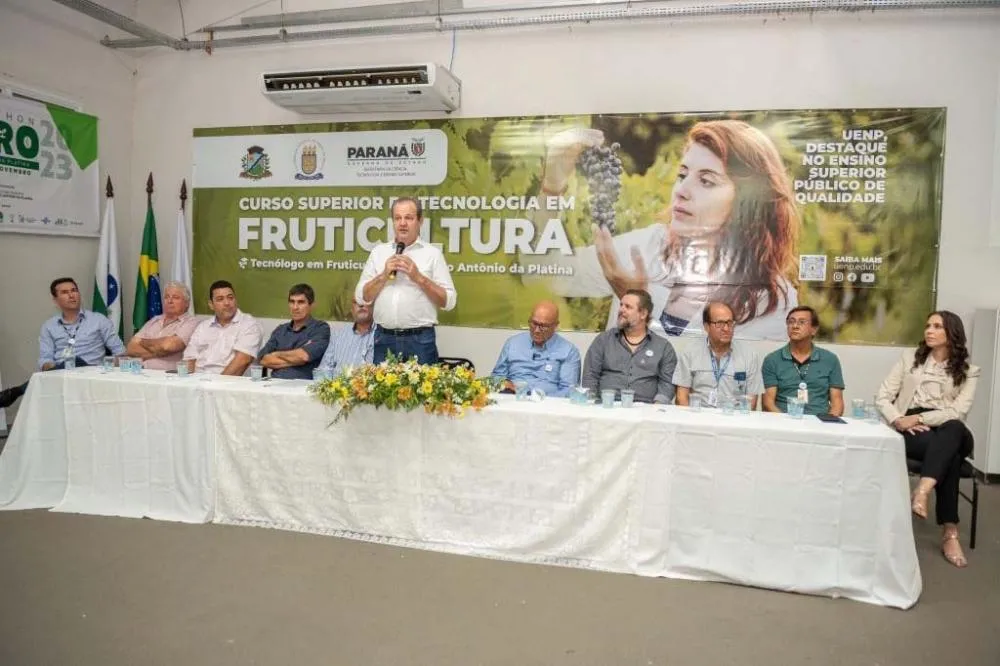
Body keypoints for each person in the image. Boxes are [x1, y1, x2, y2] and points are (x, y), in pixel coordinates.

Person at [539, 120, 799, 340]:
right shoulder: (651, 245)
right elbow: (545, 273)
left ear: (748, 200)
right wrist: (552, 187)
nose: (682, 191)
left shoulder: (774, 301)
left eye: (706, 181)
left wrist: (637, 304)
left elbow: (711, 380)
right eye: (682, 175)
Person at [876, 311, 979, 568]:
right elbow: (882, 397)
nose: (929, 331)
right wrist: (899, 420)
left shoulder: (969, 371)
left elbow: (957, 412)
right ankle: (950, 532)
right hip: (911, 427)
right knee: (950, 458)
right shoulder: (909, 358)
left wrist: (921, 419)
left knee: (953, 428)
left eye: (937, 326)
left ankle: (922, 490)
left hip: (948, 427)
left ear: (952, 333)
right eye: (927, 326)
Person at [355, 197, 457, 365]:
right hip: (384, 339)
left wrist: (419, 278)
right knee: (382, 392)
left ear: (420, 221)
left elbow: (449, 301)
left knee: (423, 392)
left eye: (408, 218)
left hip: (420, 341)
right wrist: (383, 276)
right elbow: (362, 297)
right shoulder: (378, 252)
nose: (402, 223)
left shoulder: (432, 254)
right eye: (397, 218)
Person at [582, 289, 677, 404]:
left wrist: (656, 409)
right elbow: (590, 376)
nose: (621, 309)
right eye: (621, 305)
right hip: (606, 406)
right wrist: (592, 403)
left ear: (643, 314)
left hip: (646, 409)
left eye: (628, 307)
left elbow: (667, 384)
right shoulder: (603, 340)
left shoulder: (663, 347)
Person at [673, 301, 763, 409]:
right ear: (707, 326)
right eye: (719, 323)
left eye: (729, 323)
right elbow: (681, 397)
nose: (726, 329)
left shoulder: (749, 355)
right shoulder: (690, 352)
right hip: (699, 418)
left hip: (734, 419)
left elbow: (751, 401)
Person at [762, 306, 844, 416]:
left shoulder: (830, 360)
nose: (795, 326)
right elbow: (768, 402)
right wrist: (786, 424)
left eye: (801, 322)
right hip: (784, 421)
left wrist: (828, 425)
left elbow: (837, 402)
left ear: (814, 329)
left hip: (820, 422)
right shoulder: (772, 360)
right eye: (791, 322)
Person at [491, 300, 581, 398]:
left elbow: (568, 390)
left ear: (555, 325)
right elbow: (496, 378)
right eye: (534, 323)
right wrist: (504, 384)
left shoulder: (569, 351)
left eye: (543, 326)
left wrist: (537, 398)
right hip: (513, 400)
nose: (537, 330)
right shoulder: (512, 343)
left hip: (548, 406)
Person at [38, 277, 125, 369]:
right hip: (61, 373)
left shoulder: (99, 320)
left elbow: (120, 352)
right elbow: (45, 358)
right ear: (55, 300)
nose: (71, 295)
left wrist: (104, 367)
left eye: (74, 290)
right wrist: (50, 369)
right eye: (65, 292)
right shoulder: (49, 326)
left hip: (91, 372)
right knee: (32, 382)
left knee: (77, 361)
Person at [182, 280, 263, 375]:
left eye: (230, 298)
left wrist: (217, 387)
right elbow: (189, 359)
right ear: (211, 305)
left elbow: (242, 362)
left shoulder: (249, 324)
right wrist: (188, 383)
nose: (227, 303)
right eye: (220, 299)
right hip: (198, 382)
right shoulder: (203, 327)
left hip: (229, 385)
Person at [258, 283, 331, 379]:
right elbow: (264, 360)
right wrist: (296, 359)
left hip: (303, 388)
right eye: (292, 302)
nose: (295, 307)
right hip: (274, 386)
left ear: (311, 305)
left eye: (301, 302)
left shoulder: (321, 328)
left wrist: (277, 354)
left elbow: (303, 356)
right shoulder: (280, 330)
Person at [126, 281, 200, 371]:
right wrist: (161, 351)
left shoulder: (192, 322)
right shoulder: (154, 320)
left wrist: (141, 341)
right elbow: (131, 348)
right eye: (166, 297)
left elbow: (168, 346)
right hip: (140, 372)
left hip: (169, 377)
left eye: (176, 297)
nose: (170, 301)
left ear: (187, 303)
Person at [318, 299, 376, 376]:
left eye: (365, 301)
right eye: (357, 302)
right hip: (337, 385)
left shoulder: (384, 336)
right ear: (352, 309)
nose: (361, 305)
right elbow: (324, 368)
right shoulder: (338, 334)